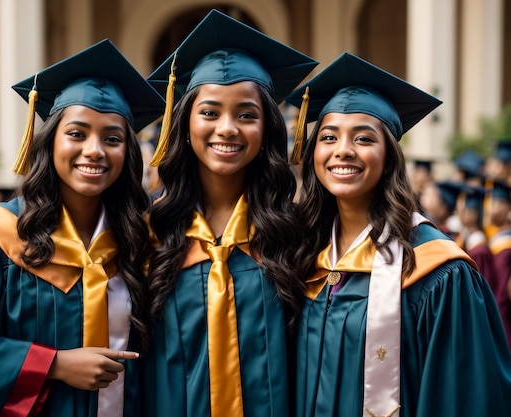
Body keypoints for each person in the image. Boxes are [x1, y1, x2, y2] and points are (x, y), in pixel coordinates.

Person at [0, 39, 164, 416]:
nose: (95, 150)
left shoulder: (138, 242)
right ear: (49, 141)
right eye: (76, 134)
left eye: (112, 138)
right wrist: (52, 365)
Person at [286, 52, 511, 417]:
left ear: (389, 156)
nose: (343, 150)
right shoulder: (303, 255)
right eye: (329, 137)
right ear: (313, 152)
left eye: (363, 138)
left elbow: (466, 398)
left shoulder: (438, 272)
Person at [142, 9, 317, 417]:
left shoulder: (298, 235)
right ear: (183, 123)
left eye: (246, 114)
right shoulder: (148, 233)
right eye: (209, 112)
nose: (227, 128)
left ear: (267, 129)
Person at [488, 180, 511, 347]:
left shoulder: (507, 242)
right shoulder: (495, 236)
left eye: (496, 203)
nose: (491, 208)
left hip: (504, 316)